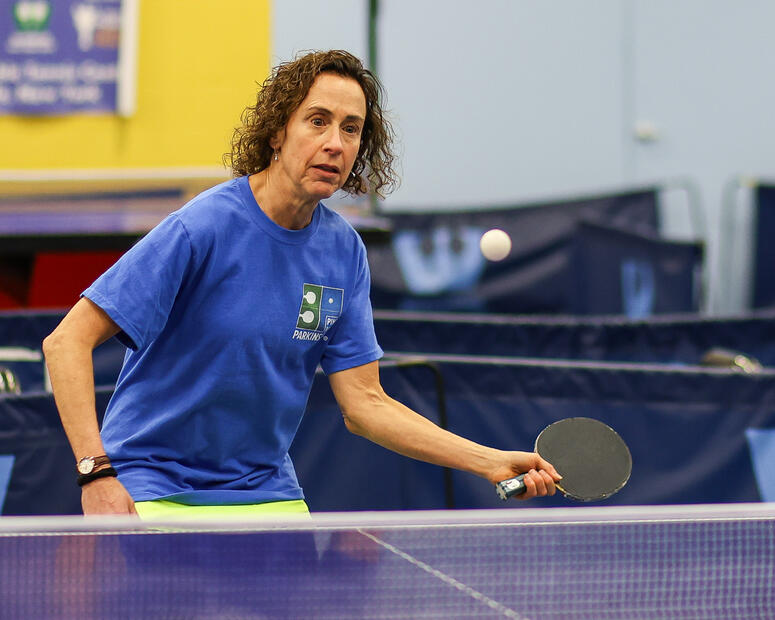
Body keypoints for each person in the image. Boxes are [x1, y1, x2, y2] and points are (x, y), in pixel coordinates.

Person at [43, 50, 561, 517]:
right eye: (318, 121)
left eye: (351, 129)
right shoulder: (202, 227)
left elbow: (365, 404)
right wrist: (96, 474)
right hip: (155, 485)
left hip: (263, 491)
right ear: (278, 132)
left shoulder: (343, 251)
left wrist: (489, 460)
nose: (334, 143)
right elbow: (66, 342)